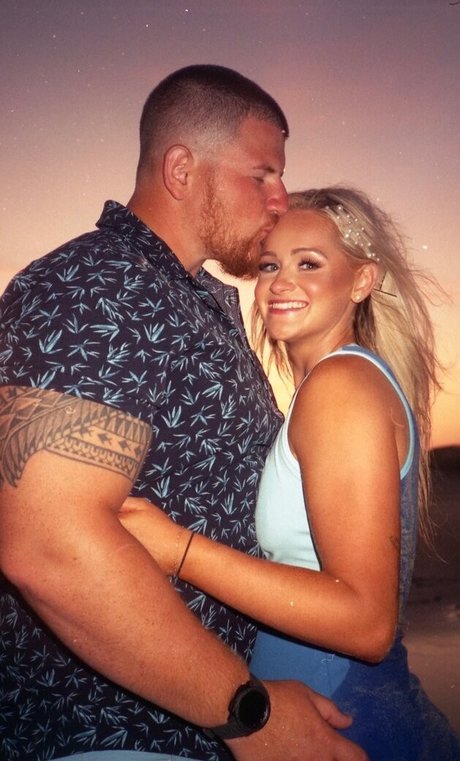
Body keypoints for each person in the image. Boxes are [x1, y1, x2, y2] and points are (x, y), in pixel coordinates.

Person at [0, 67, 368, 761]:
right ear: (180, 169)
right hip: (110, 733)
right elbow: (48, 545)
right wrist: (248, 713)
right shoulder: (100, 286)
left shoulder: (191, 300)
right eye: (262, 174)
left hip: (186, 728)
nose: (281, 199)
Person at [119, 186, 460, 760]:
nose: (280, 282)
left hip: (341, 720)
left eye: (309, 263)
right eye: (271, 265)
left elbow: (367, 623)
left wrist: (176, 548)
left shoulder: (340, 387)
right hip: (338, 707)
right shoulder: (339, 385)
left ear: (361, 281)